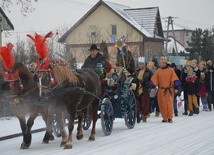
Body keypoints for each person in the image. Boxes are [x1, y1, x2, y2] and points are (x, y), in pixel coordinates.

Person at [150, 57, 181, 123]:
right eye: (160, 63)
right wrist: (152, 87)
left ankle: (169, 118)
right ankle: (164, 118)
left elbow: (175, 79)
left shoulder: (171, 70)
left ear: (165, 63)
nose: (161, 64)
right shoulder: (158, 71)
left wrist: (176, 88)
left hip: (169, 90)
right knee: (162, 105)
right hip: (161, 90)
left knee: (169, 104)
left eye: (162, 63)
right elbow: (154, 79)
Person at [133, 57, 153, 123]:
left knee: (145, 103)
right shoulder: (136, 71)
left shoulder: (149, 72)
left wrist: (146, 84)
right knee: (138, 103)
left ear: (144, 64)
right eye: (139, 64)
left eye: (141, 64)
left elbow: (151, 81)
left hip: (145, 89)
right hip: (137, 89)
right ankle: (139, 114)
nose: (140, 65)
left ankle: (144, 115)